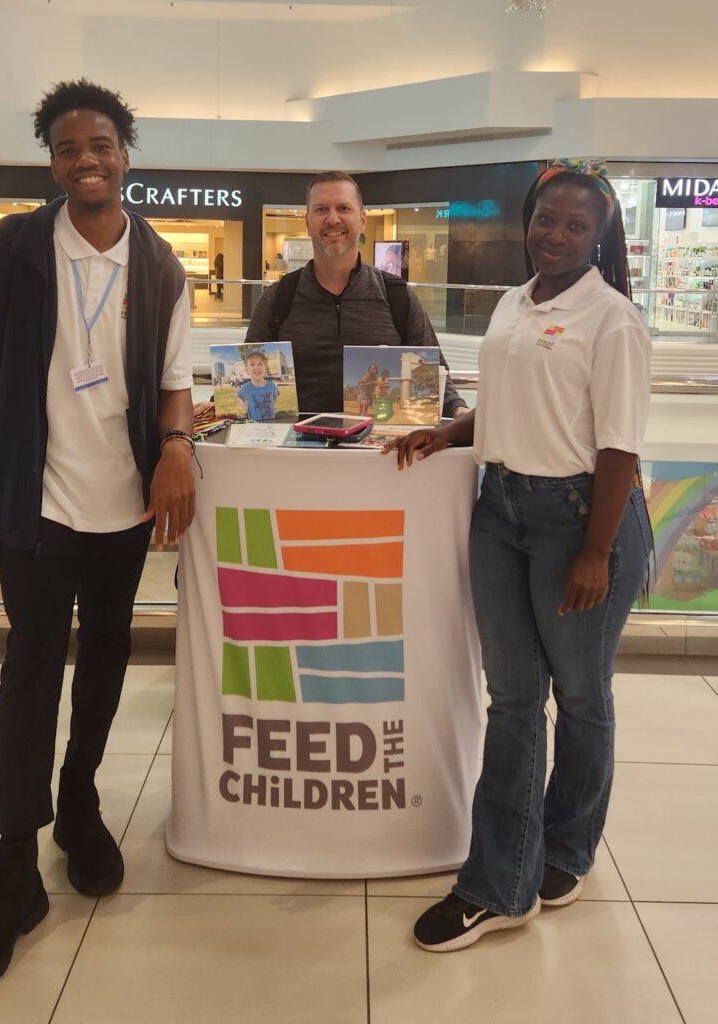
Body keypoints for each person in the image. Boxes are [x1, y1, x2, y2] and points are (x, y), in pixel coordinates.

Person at [0, 79, 197, 1006]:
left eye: (101, 145)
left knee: (111, 658)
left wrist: (176, 447)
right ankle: (15, 866)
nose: (85, 160)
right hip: (33, 510)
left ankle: (79, 799)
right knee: (29, 669)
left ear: (128, 151)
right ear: (51, 161)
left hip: (122, 511)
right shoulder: (4, 253)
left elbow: (173, 384)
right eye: (66, 149)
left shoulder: (161, 268)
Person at [385, 158, 652, 952]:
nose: (557, 236)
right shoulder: (511, 301)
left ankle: (556, 854)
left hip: (578, 518)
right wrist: (447, 432)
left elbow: (618, 449)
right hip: (498, 510)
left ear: (600, 235)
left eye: (576, 225)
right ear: (527, 222)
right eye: (546, 220)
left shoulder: (612, 320)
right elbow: (505, 403)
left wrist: (595, 552)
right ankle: (506, 877)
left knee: (579, 695)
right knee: (510, 698)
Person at [244, 170, 469, 418]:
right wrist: (214, 406)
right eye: (321, 210)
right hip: (297, 452)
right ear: (307, 222)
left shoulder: (397, 297)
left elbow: (435, 374)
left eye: (343, 208)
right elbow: (247, 377)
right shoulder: (277, 299)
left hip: (378, 453)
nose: (332, 219)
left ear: (361, 220)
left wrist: (459, 410)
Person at [236, 349, 279, 420]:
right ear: (247, 368)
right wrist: (247, 408)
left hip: (271, 423)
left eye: (260, 364)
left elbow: (275, 398)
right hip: (254, 424)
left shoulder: (271, 385)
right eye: (252, 364)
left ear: (265, 367)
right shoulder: (246, 387)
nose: (256, 367)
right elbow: (239, 396)